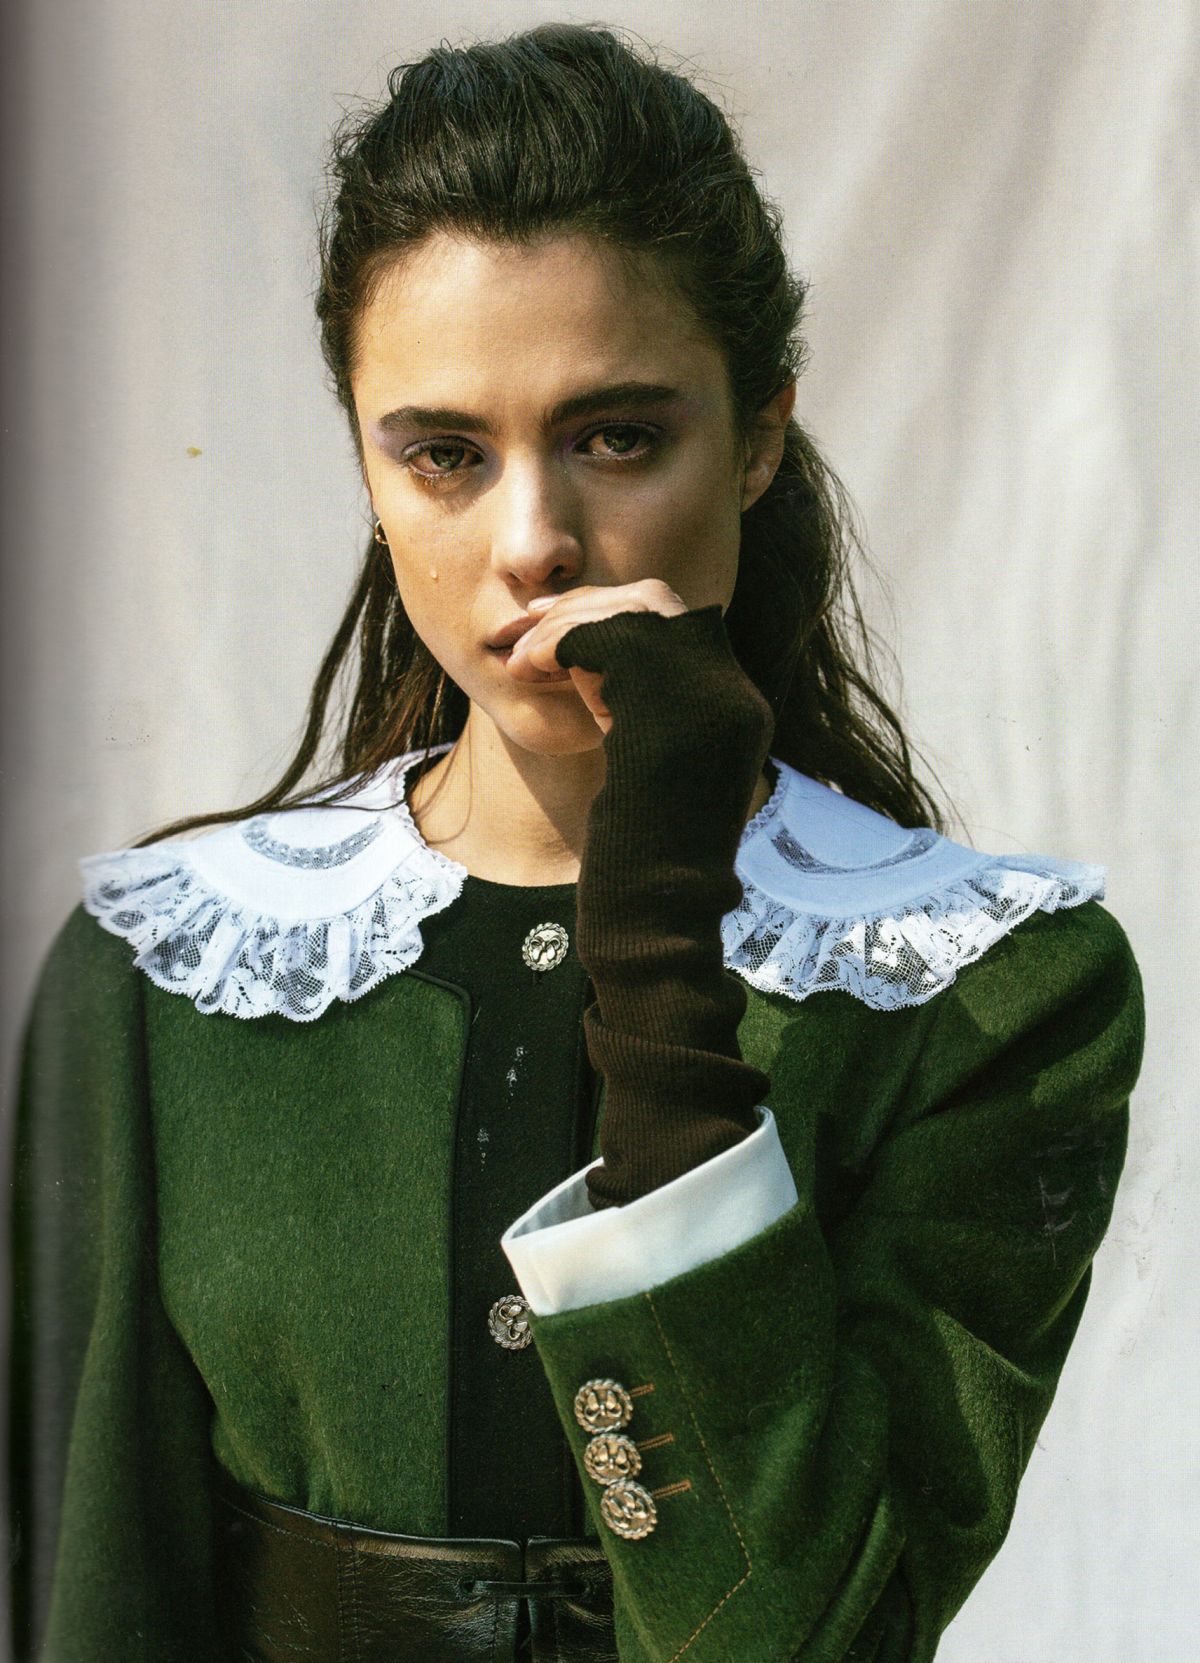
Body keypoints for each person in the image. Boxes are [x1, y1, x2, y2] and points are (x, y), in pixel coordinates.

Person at [6, 21, 1145, 1663]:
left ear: (759, 437)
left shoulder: (989, 994)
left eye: (616, 437)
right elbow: (93, 1590)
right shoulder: (167, 978)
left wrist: (663, 930)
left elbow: (809, 1633)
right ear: (367, 463)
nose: (533, 542)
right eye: (445, 455)